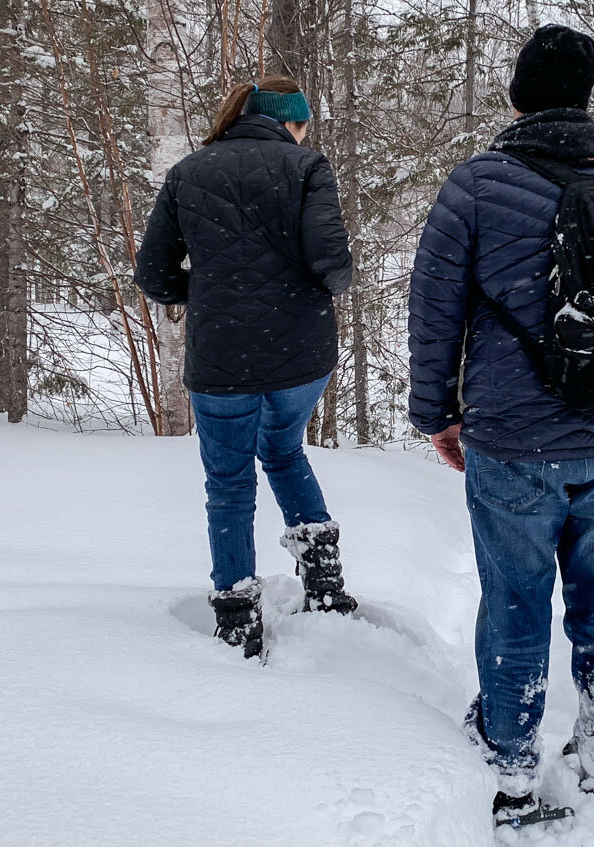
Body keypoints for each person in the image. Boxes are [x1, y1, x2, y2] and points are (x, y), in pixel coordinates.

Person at [407, 26, 594, 820]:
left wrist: (437, 414)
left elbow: (434, 311)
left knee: (517, 596)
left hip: (516, 439)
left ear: (518, 94)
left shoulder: (479, 186)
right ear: (587, 96)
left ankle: (511, 754)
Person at [135, 74, 358, 660]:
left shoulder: (189, 172)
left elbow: (154, 274)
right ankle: (327, 586)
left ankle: (237, 622)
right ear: (293, 122)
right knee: (284, 451)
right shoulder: (308, 167)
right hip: (300, 356)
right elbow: (333, 265)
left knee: (229, 485)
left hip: (221, 359)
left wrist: (208, 291)